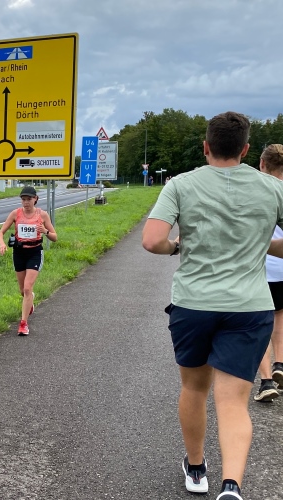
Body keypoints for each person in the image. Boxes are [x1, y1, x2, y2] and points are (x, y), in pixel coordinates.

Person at [142, 111, 283, 500]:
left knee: (194, 387)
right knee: (234, 401)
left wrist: (176, 247)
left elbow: (152, 240)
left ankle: (197, 469)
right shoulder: (272, 188)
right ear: (246, 150)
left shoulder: (181, 185)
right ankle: (232, 486)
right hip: (249, 307)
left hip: (194, 304)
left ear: (206, 147)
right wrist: (265, 245)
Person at [0, 186, 57, 335]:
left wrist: (45, 231)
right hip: (19, 253)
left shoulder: (42, 215)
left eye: (29, 199)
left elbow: (54, 237)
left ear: (35, 199)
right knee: (23, 291)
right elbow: (1, 232)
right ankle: (30, 300)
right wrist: (2, 244)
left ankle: (23, 324)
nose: (26, 202)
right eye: (23, 199)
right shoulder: (15, 214)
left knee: (28, 288)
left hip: (35, 253)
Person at [254, 144, 283, 403]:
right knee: (280, 320)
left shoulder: (256, 191)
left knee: (259, 325)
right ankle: (280, 365)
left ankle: (265, 382)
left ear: (262, 164)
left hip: (260, 268)